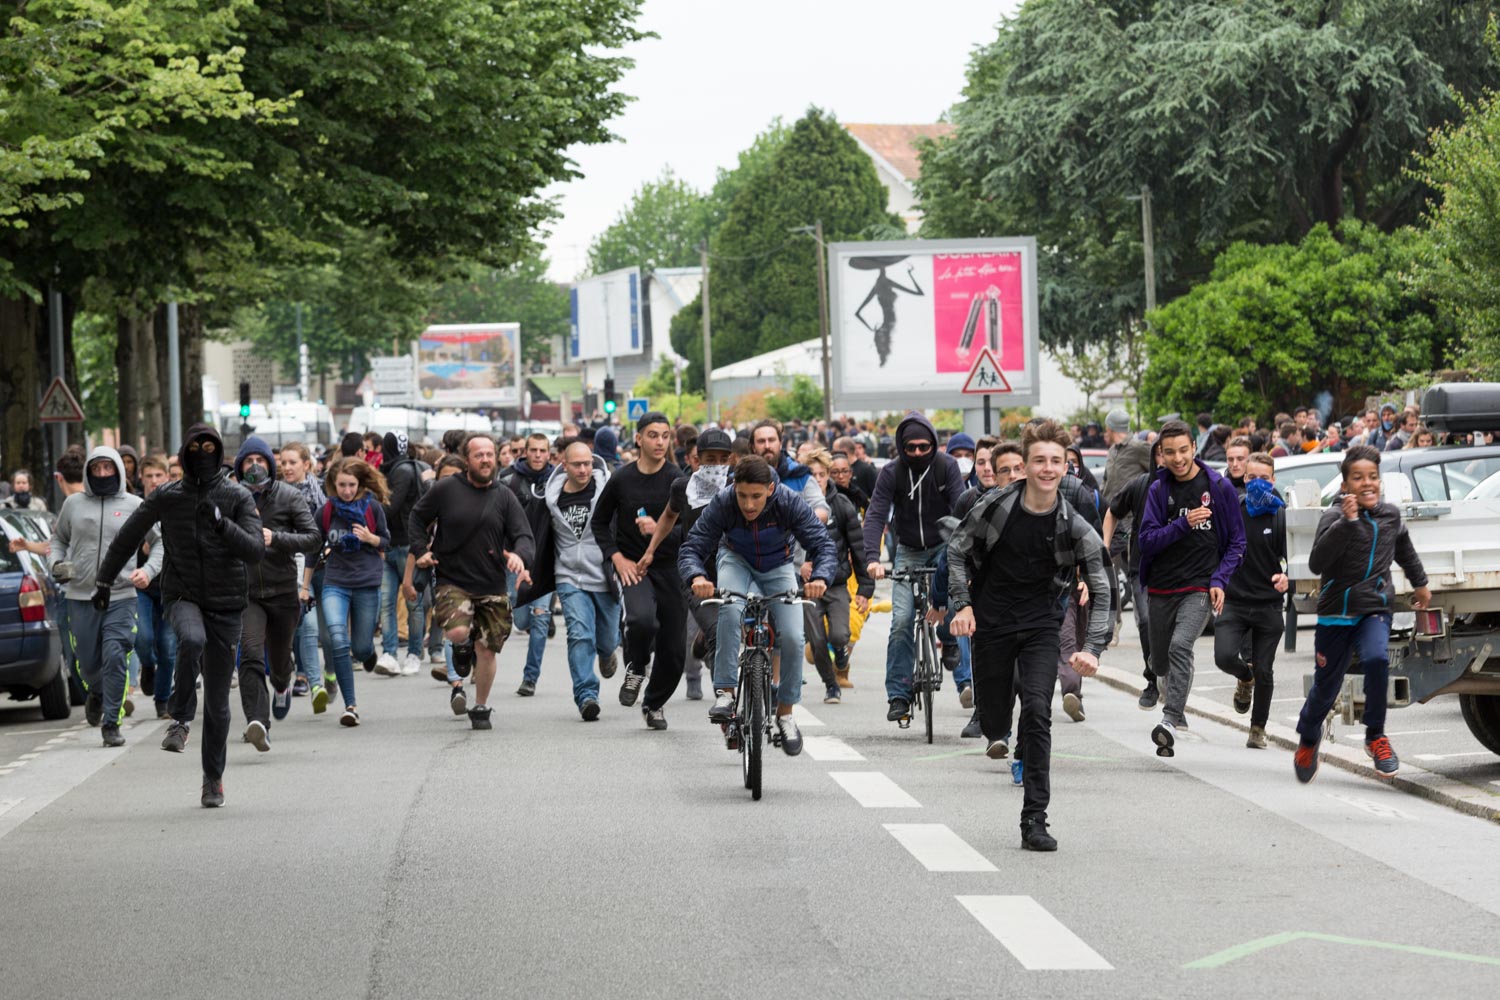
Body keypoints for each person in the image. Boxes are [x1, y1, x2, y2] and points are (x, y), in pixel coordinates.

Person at [947, 421, 1111, 852]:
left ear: (1065, 467)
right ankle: (996, 725)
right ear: (1026, 464)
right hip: (993, 624)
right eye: (1039, 460)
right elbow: (958, 549)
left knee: (1038, 711)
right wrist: (962, 603)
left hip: (1041, 625)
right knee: (995, 718)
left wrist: (1092, 648)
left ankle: (1034, 818)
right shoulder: (998, 505)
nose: (1047, 468)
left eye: (1056, 461)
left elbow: (1103, 582)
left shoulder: (1072, 523)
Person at [98, 424, 265, 807]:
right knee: (191, 639)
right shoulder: (167, 496)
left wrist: (222, 524)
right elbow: (127, 537)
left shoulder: (237, 495)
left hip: (226, 603)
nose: (202, 452)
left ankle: (213, 780)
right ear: (184, 452)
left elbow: (255, 550)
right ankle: (181, 718)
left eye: (210, 447)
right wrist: (104, 581)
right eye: (195, 447)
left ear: (219, 451)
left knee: (220, 704)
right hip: (182, 594)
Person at [684, 455, 837, 758]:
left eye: (756, 496)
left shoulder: (789, 502)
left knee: (793, 636)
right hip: (735, 560)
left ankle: (786, 714)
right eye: (742, 495)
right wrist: (697, 575)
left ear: (770, 488)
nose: (749, 505)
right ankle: (726, 693)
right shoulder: (725, 502)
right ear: (734, 488)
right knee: (729, 608)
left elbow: (823, 545)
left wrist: (820, 577)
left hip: (778, 566)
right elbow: (694, 544)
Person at [1294, 445, 1431, 783]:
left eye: (1373, 477)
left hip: (1374, 607)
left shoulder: (1390, 516)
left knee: (1376, 660)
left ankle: (1376, 737)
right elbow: (1317, 563)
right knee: (1326, 689)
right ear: (1345, 486)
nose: (1367, 483)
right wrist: (1347, 523)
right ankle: (1309, 739)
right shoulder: (1333, 517)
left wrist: (1421, 584)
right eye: (1358, 478)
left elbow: (1406, 552)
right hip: (1335, 615)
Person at [409, 434, 534, 731]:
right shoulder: (445, 489)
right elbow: (416, 517)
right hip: (453, 580)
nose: (486, 459)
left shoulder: (504, 495)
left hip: (491, 584)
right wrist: (420, 551)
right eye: (479, 455)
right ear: (467, 460)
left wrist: (519, 556)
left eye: (490, 454)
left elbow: (524, 535)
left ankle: (480, 705)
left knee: (488, 649)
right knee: (456, 631)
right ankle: (461, 647)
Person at [1137, 419, 1246, 758]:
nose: (1178, 458)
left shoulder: (1218, 487)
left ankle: (1169, 721)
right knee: (1159, 663)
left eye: (1184, 450)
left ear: (1194, 448)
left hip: (1199, 585)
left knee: (1180, 646)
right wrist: (1183, 524)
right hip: (1161, 589)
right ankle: (1174, 703)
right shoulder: (1158, 490)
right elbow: (1147, 542)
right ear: (1161, 455)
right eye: (1170, 452)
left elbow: (1237, 542)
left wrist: (1219, 580)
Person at [52, 447, 162, 746]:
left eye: (108, 468)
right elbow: (58, 539)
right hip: (80, 594)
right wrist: (55, 563)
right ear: (88, 471)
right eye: (96, 468)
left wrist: (149, 570)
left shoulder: (135, 505)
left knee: (115, 655)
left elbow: (159, 540)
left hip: (121, 594)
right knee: (86, 661)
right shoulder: (73, 504)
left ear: (118, 470)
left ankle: (111, 722)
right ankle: (97, 691)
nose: (102, 474)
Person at [862, 411, 967, 725]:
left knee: (949, 600)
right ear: (901, 447)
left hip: (943, 546)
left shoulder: (947, 467)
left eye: (924, 446)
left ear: (933, 444)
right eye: (911, 448)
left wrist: (961, 551)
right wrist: (871, 559)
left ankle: (948, 640)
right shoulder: (891, 472)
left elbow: (960, 509)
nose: (918, 453)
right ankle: (898, 695)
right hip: (907, 550)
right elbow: (876, 514)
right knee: (902, 621)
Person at [589, 413, 687, 728]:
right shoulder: (621, 478)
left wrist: (659, 530)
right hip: (634, 566)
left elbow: (689, 529)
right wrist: (616, 557)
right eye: (653, 435)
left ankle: (654, 704)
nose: (660, 442)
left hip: (670, 566)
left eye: (665, 436)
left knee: (674, 650)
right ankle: (637, 666)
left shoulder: (678, 479)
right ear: (639, 439)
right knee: (641, 620)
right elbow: (600, 523)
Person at [233, 437, 321, 750]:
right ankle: (258, 722)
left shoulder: (288, 496)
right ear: (239, 466)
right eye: (247, 461)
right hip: (247, 594)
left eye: (260, 459)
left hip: (283, 590)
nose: (254, 466)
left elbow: (313, 538)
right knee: (251, 653)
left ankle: (282, 684)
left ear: (270, 464)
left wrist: (277, 538)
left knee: (280, 661)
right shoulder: (231, 497)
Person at [637, 428, 736, 702]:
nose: (715, 466)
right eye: (708, 459)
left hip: (736, 570)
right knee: (719, 631)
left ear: (730, 460)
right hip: (697, 573)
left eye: (721, 459)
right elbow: (669, 517)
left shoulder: (740, 487)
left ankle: (705, 643)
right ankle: (725, 697)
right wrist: (650, 550)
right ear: (695, 460)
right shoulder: (683, 488)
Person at [1214, 452, 1289, 749]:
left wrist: (1288, 578)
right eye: (1252, 477)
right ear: (1244, 480)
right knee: (1224, 657)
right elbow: (1217, 549)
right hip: (1235, 601)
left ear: (1273, 481)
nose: (1258, 483)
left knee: (1265, 670)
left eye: (1264, 478)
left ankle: (1257, 728)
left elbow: (1295, 557)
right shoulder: (1233, 510)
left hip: (1268, 605)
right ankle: (1244, 679)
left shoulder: (1282, 515)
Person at [310, 459, 391, 727]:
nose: (346, 491)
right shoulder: (326, 512)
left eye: (351, 485)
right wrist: (303, 585)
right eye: (342, 485)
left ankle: (368, 654)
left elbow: (387, 541)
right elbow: (313, 547)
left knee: (360, 646)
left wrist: (370, 539)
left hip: (367, 582)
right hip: (336, 582)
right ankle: (350, 706)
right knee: (336, 638)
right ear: (333, 484)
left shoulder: (372, 508)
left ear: (360, 484)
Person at [541, 441, 618, 720]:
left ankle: (607, 652)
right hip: (568, 576)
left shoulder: (607, 491)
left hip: (604, 576)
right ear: (565, 465)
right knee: (579, 634)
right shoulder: (551, 497)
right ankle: (586, 695)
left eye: (587, 463)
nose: (584, 469)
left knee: (608, 640)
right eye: (577, 464)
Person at [801, 449, 873, 705]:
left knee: (839, 636)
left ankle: (841, 653)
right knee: (817, 641)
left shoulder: (841, 505)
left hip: (836, 582)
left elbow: (858, 547)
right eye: (812, 474)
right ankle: (831, 685)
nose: (818, 479)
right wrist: (800, 565)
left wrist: (866, 587)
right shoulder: (793, 503)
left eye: (823, 474)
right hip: (807, 588)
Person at [499, 433, 555, 697]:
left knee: (540, 618)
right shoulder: (509, 480)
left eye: (542, 450)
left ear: (549, 453)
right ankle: (531, 627)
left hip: (546, 561)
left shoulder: (557, 481)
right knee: (521, 620)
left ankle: (530, 678)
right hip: (516, 560)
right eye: (533, 450)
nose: (537, 455)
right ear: (525, 452)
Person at [280, 442, 331, 706]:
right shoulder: (276, 494)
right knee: (307, 626)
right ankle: (315, 685)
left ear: (306, 465)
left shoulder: (322, 492)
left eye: (292, 463)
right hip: (299, 567)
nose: (287, 468)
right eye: (284, 463)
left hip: (327, 565)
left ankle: (331, 673)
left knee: (330, 631)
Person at [376, 432, 428, 676]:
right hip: (400, 543)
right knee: (399, 602)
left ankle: (409, 653)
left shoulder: (399, 472)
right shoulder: (408, 467)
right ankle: (395, 654)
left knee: (406, 602)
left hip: (403, 544)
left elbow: (390, 507)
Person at [132, 456, 177, 717]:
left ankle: (163, 699)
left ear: (167, 476)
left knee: (168, 645)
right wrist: (141, 548)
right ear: (141, 478)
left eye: (158, 475)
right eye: (148, 476)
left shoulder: (176, 501)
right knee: (143, 637)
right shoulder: (135, 505)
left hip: (172, 585)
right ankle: (147, 665)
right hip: (141, 585)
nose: (153, 481)